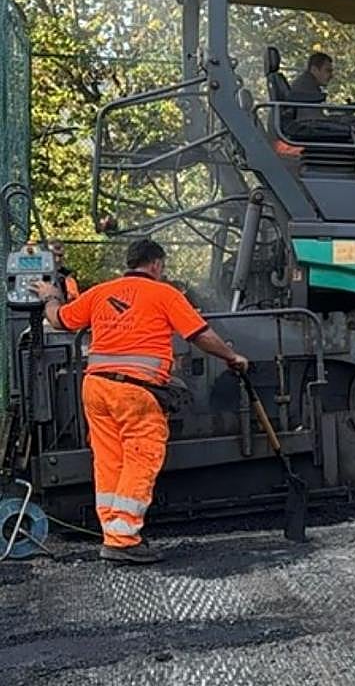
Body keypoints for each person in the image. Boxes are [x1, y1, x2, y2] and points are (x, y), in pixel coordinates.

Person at [34, 239, 249, 564]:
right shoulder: (165, 294)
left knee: (108, 462)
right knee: (141, 458)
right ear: (156, 265)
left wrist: (50, 297)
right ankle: (122, 540)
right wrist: (232, 357)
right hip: (136, 392)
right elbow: (200, 334)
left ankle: (113, 535)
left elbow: (60, 319)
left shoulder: (100, 292)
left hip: (96, 388)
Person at [286, 51, 355, 142]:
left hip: (312, 123)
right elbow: (314, 120)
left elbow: (323, 113)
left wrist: (349, 109)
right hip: (310, 126)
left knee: (346, 119)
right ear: (314, 70)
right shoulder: (304, 86)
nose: (331, 75)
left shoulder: (308, 83)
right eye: (327, 71)